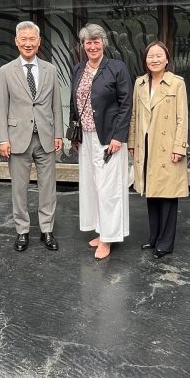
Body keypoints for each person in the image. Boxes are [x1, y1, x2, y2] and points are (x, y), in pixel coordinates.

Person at [0, 21, 63, 253]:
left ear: (39, 41)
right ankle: (22, 231)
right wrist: (2, 139)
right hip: (17, 138)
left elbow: (56, 105)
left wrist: (58, 134)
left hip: (46, 137)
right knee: (19, 188)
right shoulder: (6, 71)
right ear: (16, 41)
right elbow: (1, 107)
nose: (28, 43)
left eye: (32, 39)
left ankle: (47, 229)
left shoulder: (50, 70)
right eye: (23, 39)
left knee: (48, 187)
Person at [70, 23, 132, 260]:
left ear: (103, 43)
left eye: (97, 41)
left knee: (109, 189)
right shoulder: (78, 69)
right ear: (83, 45)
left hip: (108, 137)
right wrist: (74, 133)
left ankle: (109, 237)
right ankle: (100, 229)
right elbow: (75, 102)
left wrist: (119, 136)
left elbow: (126, 104)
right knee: (92, 187)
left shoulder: (116, 67)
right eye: (88, 42)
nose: (93, 46)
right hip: (85, 137)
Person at [128, 41, 188, 258]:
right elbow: (134, 115)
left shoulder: (176, 83)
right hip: (146, 145)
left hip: (167, 145)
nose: (154, 59)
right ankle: (153, 237)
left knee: (168, 195)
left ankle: (166, 242)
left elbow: (182, 118)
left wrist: (179, 146)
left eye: (158, 55)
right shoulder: (140, 83)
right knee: (150, 192)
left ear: (167, 59)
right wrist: (132, 142)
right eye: (150, 56)